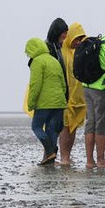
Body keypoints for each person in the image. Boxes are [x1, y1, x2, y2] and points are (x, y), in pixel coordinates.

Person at [80, 23, 105, 169]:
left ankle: (89, 161)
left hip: (87, 88)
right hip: (103, 91)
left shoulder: (97, 42)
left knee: (90, 123)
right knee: (101, 125)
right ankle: (101, 160)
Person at [45, 18, 82, 167]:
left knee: (72, 128)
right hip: (63, 97)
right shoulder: (59, 51)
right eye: (76, 38)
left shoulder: (78, 52)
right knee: (64, 127)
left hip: (78, 98)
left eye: (80, 39)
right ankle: (62, 157)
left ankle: (67, 155)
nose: (78, 41)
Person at [25, 37, 67, 165]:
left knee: (36, 126)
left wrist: (31, 103)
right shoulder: (54, 60)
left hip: (44, 103)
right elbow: (63, 83)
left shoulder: (37, 61)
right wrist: (63, 98)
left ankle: (50, 151)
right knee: (52, 129)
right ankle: (51, 158)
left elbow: (35, 85)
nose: (27, 55)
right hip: (59, 102)